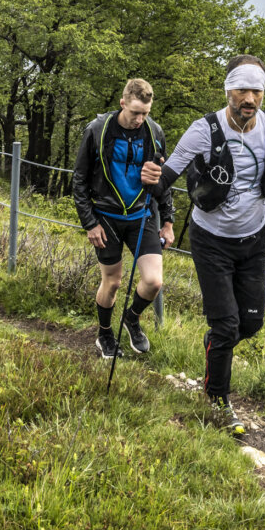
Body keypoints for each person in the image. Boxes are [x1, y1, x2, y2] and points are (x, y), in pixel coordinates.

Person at [141, 54, 265, 431]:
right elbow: (166, 178)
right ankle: (217, 401)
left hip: (254, 239)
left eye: (256, 91)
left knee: (252, 323)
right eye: (242, 89)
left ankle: (216, 346)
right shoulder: (203, 129)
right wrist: (149, 178)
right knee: (227, 326)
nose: (250, 98)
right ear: (228, 89)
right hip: (211, 240)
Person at [72, 78, 173, 359]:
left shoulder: (155, 133)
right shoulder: (97, 130)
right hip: (106, 217)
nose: (140, 119)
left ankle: (131, 318)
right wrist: (89, 223)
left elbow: (161, 180)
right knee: (113, 282)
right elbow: (79, 180)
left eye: (145, 113)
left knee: (153, 281)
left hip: (142, 215)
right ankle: (104, 333)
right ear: (122, 103)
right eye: (135, 112)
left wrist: (167, 221)